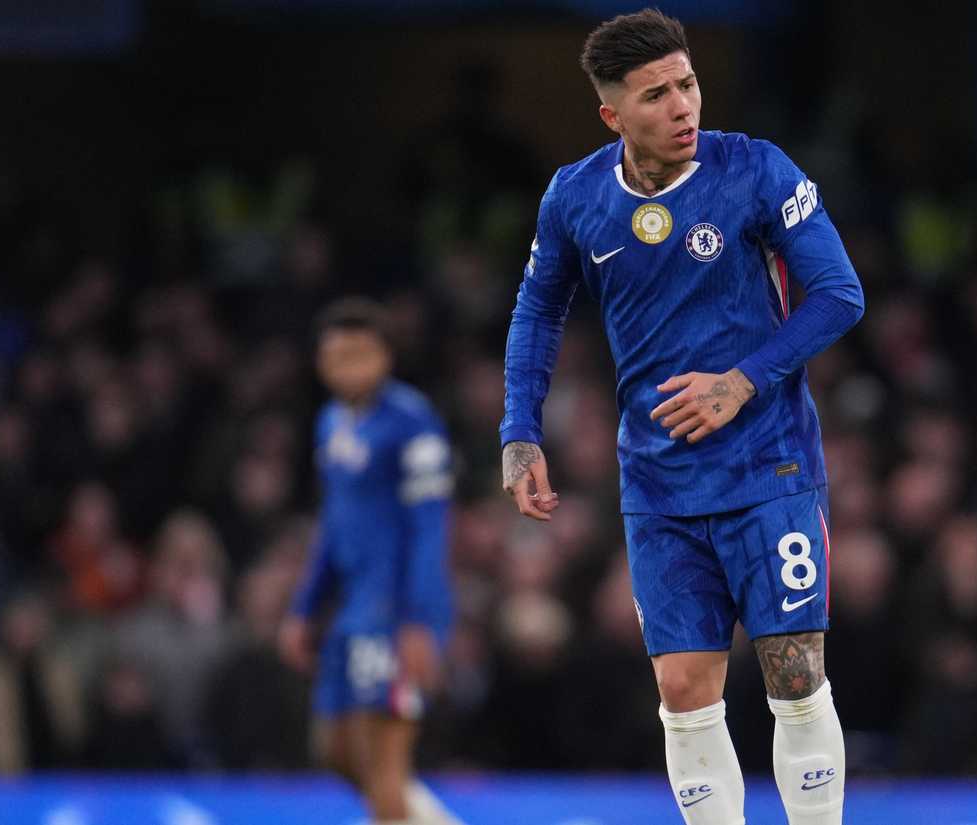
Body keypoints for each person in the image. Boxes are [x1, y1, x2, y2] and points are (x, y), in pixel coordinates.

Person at [499, 10, 864, 824]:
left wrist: (743, 379)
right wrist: (520, 432)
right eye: (657, 94)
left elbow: (840, 294)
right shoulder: (576, 196)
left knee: (794, 675)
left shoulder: (756, 171)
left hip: (770, 470)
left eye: (689, 84)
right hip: (659, 485)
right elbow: (537, 312)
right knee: (683, 691)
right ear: (613, 115)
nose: (682, 106)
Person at [280, 299, 463, 825]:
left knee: (383, 761)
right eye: (336, 354)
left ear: (386, 356)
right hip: (350, 613)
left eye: (359, 352)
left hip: (393, 614)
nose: (348, 364)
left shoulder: (413, 424)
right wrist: (303, 608)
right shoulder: (331, 423)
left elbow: (431, 529)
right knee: (335, 752)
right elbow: (333, 525)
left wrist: (420, 622)